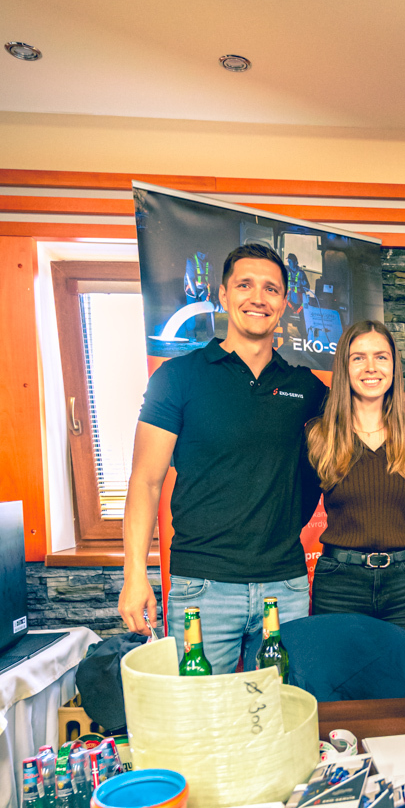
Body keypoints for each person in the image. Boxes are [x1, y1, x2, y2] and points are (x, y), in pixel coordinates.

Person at [118, 242, 326, 673]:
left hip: (284, 587)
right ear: (223, 295)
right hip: (203, 588)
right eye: (245, 285)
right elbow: (145, 481)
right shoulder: (178, 377)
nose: (258, 297)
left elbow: (368, 409)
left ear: (284, 303)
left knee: (279, 708)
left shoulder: (305, 387)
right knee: (200, 710)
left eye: (271, 289)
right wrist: (134, 574)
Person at [305, 320, 405, 639]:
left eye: (381, 357)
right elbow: (296, 509)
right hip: (339, 584)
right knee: (340, 669)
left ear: (394, 366)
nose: (371, 367)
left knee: (403, 669)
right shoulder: (320, 436)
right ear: (344, 368)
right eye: (358, 357)